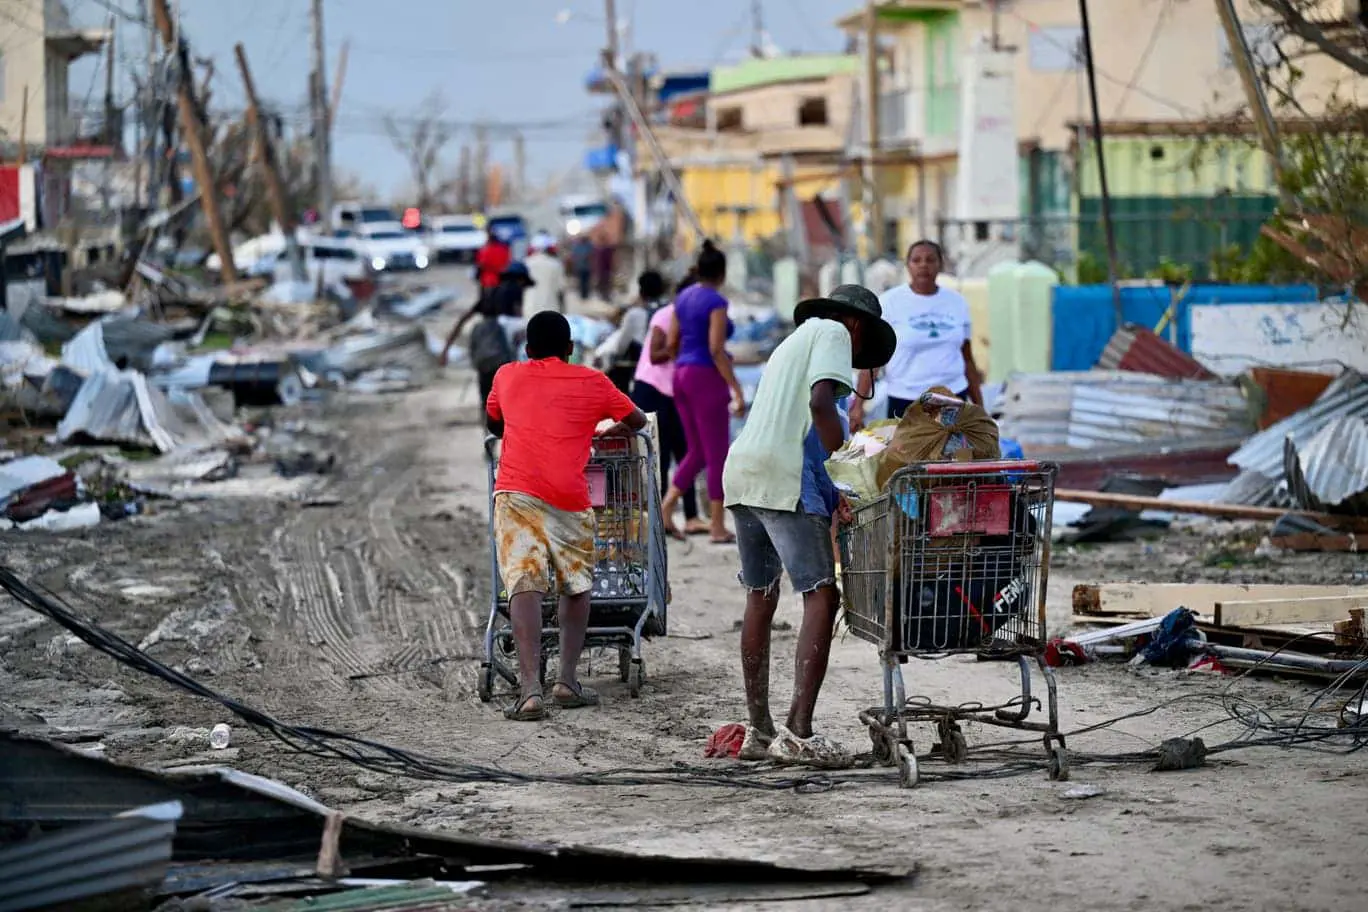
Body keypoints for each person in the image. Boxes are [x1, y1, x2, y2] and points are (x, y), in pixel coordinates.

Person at [722, 284, 896, 766]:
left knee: (760, 595)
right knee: (822, 594)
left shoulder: (792, 342)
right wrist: (847, 466)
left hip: (744, 473)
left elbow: (800, 422)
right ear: (857, 325)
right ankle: (798, 731)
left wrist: (832, 487)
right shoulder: (836, 333)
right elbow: (821, 406)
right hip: (783, 479)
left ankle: (760, 731)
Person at [486, 311, 648, 721]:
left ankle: (529, 691)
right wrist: (605, 427)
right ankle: (566, 681)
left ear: (527, 349)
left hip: (516, 492)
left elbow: (495, 423)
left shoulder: (506, 375)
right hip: (569, 498)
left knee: (523, 580)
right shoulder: (593, 381)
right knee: (576, 585)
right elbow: (637, 420)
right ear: (571, 348)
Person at [660, 241, 746, 543]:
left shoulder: (682, 298)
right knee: (716, 453)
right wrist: (737, 389)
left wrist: (684, 364)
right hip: (705, 377)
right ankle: (718, 525)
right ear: (722, 273)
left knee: (697, 450)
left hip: (681, 374)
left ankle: (666, 507)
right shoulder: (716, 302)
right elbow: (716, 349)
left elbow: (671, 343)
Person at [850, 240, 984, 430]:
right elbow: (874, 361)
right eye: (916, 260)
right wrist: (858, 407)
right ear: (908, 265)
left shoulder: (957, 302)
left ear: (940, 264)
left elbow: (967, 359)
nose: (923, 265)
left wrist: (980, 408)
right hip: (905, 400)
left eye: (930, 260)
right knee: (906, 449)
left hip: (952, 398)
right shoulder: (889, 302)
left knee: (951, 448)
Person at [630, 274, 705, 537]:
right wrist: (680, 347)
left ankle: (691, 515)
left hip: (677, 391)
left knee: (686, 450)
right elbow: (655, 354)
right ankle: (660, 518)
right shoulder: (666, 315)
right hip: (653, 390)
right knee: (659, 454)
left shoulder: (696, 318)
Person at [439, 262, 537, 419]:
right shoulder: (515, 289)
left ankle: (488, 427)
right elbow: (518, 320)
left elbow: (462, 320)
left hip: (485, 350)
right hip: (505, 353)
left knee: (487, 397)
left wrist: (446, 350)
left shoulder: (488, 294)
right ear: (520, 280)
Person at [596, 270, 660, 393]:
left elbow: (621, 347)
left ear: (641, 291)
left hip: (639, 368)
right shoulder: (667, 311)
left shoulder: (634, 314)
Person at [523, 239, 566, 318]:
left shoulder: (526, 263)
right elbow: (561, 287)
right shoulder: (556, 264)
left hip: (530, 307)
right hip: (551, 307)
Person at [570, 236, 594, 302]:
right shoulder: (577, 246)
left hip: (587, 267)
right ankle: (583, 295)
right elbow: (574, 256)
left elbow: (592, 254)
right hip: (580, 267)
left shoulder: (589, 246)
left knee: (587, 281)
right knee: (581, 281)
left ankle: (586, 294)